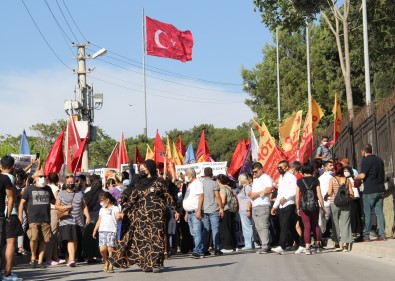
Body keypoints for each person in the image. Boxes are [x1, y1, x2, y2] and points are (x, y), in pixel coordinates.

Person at [110, 160, 179, 273]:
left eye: (144, 168)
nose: (142, 171)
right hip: (142, 217)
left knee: (157, 238)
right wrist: (124, 211)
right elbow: (132, 200)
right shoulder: (139, 184)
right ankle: (146, 263)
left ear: (150, 168)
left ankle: (156, 263)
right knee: (144, 240)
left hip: (157, 216)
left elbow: (168, 196)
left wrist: (175, 210)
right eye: (141, 169)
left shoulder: (159, 181)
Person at [19, 169, 55, 268]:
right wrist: (20, 216)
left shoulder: (48, 189)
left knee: (44, 240)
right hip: (33, 218)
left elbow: (54, 201)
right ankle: (33, 258)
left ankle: (39, 261)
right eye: (40, 176)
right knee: (34, 238)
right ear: (35, 178)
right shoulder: (29, 189)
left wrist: (64, 205)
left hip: (46, 218)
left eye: (44, 176)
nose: (42, 178)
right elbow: (22, 202)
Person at [55, 176, 91, 267]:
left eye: (72, 182)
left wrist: (87, 216)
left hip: (78, 221)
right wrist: (66, 207)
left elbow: (84, 206)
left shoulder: (80, 193)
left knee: (75, 240)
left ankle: (71, 257)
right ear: (66, 183)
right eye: (69, 182)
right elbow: (57, 206)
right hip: (67, 220)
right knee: (71, 239)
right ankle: (71, 259)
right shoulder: (61, 193)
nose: (71, 184)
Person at [355, 144, 386, 241]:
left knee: (367, 213)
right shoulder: (379, 160)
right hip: (380, 189)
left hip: (370, 190)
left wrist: (356, 177)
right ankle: (382, 234)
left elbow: (363, 176)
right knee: (379, 213)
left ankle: (366, 235)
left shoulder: (366, 160)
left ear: (363, 151)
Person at [271, 161, 301, 255]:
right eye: (278, 167)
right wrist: (274, 206)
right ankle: (302, 244)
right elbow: (279, 193)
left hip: (289, 204)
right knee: (291, 227)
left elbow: (294, 191)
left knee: (284, 225)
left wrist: (285, 198)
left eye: (281, 167)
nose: (279, 169)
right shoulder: (281, 178)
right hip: (282, 205)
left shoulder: (291, 177)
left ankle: (281, 246)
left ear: (287, 167)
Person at [295, 163, 326, 255]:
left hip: (303, 207)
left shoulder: (299, 181)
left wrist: (297, 208)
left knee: (307, 227)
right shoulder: (315, 180)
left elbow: (297, 196)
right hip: (314, 206)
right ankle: (317, 246)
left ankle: (307, 248)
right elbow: (319, 194)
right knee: (315, 225)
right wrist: (322, 207)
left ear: (303, 171)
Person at [1, 155, 23, 281]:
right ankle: (7, 273)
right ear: (13, 166)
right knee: (11, 244)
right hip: (10, 213)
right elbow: (11, 197)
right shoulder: (10, 178)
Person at [328, 162, 354, 251]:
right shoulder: (347, 180)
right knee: (345, 223)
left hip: (334, 203)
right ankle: (345, 245)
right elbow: (351, 193)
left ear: (335, 169)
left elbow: (329, 192)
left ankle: (336, 244)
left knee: (335, 223)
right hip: (345, 203)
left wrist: (327, 195)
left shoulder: (332, 179)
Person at [92, 192, 120, 274]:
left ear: (107, 200)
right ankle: (106, 261)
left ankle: (111, 265)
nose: (101, 203)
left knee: (110, 249)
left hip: (112, 231)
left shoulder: (115, 208)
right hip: (102, 231)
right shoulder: (102, 210)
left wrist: (119, 216)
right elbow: (99, 220)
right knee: (102, 250)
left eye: (102, 201)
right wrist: (95, 229)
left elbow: (118, 215)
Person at [249, 162, 273, 254]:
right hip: (255, 205)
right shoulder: (256, 179)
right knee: (258, 226)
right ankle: (265, 244)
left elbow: (269, 189)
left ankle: (265, 245)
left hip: (262, 205)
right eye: (253, 172)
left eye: (255, 171)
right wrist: (252, 194)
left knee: (263, 226)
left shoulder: (266, 177)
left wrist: (257, 194)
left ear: (261, 169)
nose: (254, 174)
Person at [201, 167, 224, 256]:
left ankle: (204, 249)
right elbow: (217, 196)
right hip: (214, 208)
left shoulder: (201, 183)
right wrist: (221, 207)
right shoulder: (214, 183)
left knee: (205, 230)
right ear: (211, 174)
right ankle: (217, 249)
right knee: (215, 229)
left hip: (204, 209)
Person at [183, 168, 205, 258]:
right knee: (193, 233)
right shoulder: (190, 184)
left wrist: (199, 210)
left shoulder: (198, 183)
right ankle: (199, 249)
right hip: (190, 212)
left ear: (191, 175)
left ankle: (198, 251)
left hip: (195, 211)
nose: (186, 176)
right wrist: (186, 213)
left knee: (197, 232)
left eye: (187, 174)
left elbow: (201, 196)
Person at [82, 178, 104, 263]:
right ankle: (100, 256)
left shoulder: (87, 194)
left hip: (89, 217)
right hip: (100, 217)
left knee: (88, 237)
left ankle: (89, 256)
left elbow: (84, 206)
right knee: (99, 237)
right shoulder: (104, 194)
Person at [45, 172, 64, 266]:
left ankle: (55, 256)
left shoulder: (47, 187)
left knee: (54, 235)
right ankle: (49, 257)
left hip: (48, 211)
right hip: (54, 211)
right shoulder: (55, 188)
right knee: (53, 234)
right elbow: (56, 202)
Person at [217, 174, 237, 253]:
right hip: (231, 210)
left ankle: (227, 246)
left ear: (219, 180)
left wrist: (219, 207)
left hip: (225, 209)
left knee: (225, 229)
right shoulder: (230, 188)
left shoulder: (222, 189)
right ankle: (233, 245)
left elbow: (223, 200)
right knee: (231, 228)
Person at [344, 166, 362, 240]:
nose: (345, 172)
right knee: (353, 214)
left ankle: (355, 230)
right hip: (351, 197)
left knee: (354, 214)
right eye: (344, 171)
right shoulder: (346, 179)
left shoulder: (352, 178)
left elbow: (357, 184)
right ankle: (355, 230)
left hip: (354, 197)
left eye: (346, 171)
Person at [237, 173, 254, 250]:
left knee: (247, 227)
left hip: (245, 209)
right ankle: (249, 243)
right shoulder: (243, 188)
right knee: (246, 227)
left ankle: (249, 244)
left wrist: (248, 209)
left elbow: (249, 199)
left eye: (239, 179)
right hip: (242, 210)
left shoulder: (247, 188)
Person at [318, 161, 334, 237]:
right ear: (324, 167)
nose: (332, 167)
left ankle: (321, 235)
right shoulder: (331, 178)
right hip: (328, 200)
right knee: (325, 219)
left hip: (322, 201)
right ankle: (321, 235)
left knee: (322, 219)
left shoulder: (320, 178)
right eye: (330, 165)